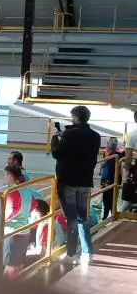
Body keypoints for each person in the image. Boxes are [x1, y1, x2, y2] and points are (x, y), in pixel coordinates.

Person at [51, 105, 101, 266]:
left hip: (68, 182)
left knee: (71, 219)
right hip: (85, 181)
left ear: (76, 117)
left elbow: (57, 153)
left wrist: (55, 139)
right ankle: (87, 251)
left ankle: (71, 254)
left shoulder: (69, 134)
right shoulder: (95, 136)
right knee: (82, 218)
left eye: (72, 116)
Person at [3, 165, 43, 277]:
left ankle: (6, 288)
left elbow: (11, 211)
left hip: (13, 232)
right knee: (19, 263)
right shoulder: (27, 191)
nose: (5, 177)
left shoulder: (12, 191)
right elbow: (34, 204)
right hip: (25, 230)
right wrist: (24, 213)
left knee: (10, 264)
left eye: (6, 175)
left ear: (11, 176)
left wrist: (3, 219)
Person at [102, 137, 122, 219]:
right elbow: (105, 167)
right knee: (108, 200)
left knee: (110, 199)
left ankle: (109, 216)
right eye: (112, 141)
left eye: (115, 141)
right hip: (108, 180)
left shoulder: (118, 154)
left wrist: (104, 182)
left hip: (111, 180)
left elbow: (109, 171)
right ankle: (108, 216)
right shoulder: (107, 153)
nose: (113, 142)